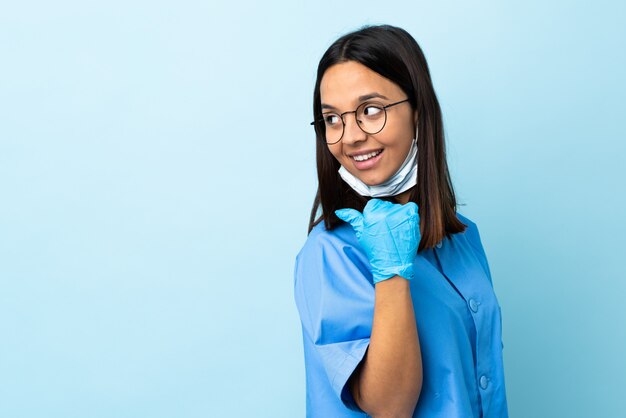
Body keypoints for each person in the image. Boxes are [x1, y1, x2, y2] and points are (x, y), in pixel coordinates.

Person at [293, 24, 509, 418]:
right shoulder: (329, 255)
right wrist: (391, 273)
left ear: (418, 111)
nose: (351, 136)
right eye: (332, 118)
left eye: (370, 110)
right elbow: (388, 407)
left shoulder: (463, 238)